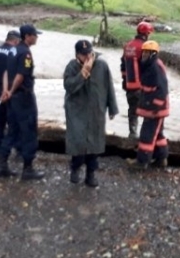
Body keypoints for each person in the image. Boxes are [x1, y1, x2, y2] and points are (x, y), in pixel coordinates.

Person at [63, 40, 119, 188]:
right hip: (76, 112)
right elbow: (69, 87)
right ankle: (75, 168)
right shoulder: (71, 67)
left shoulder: (102, 66)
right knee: (78, 142)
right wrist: (83, 73)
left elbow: (109, 87)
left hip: (96, 111)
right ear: (77, 55)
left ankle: (91, 173)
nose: (88, 57)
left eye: (89, 53)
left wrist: (112, 108)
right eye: (84, 55)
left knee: (95, 144)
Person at [0, 24, 45, 180]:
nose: (36, 37)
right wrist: (10, 91)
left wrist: (6, 91)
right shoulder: (25, 53)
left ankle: (1, 164)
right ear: (27, 36)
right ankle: (28, 168)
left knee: (12, 129)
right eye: (34, 35)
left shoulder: (12, 50)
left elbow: (5, 72)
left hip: (12, 98)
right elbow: (21, 75)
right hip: (23, 97)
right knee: (29, 130)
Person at [128, 40, 169, 169]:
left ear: (153, 53)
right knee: (158, 135)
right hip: (152, 106)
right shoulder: (151, 64)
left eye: (147, 52)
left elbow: (162, 89)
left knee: (147, 134)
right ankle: (161, 159)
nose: (144, 54)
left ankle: (142, 162)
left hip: (155, 108)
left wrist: (156, 106)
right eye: (143, 52)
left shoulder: (154, 67)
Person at [0, 30, 21, 153]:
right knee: (14, 121)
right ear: (16, 41)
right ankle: (16, 147)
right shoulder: (14, 53)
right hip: (11, 91)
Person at [120, 21, 154, 139]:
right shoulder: (145, 47)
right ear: (147, 34)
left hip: (129, 85)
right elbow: (148, 67)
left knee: (132, 111)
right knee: (147, 112)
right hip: (141, 86)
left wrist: (124, 81)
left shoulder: (128, 46)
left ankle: (132, 133)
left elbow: (123, 66)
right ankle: (146, 137)